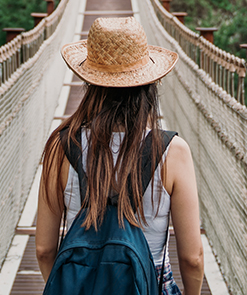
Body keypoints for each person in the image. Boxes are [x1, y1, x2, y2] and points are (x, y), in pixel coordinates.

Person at [35, 17, 204, 295]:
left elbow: (43, 249)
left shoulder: (60, 147)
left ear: (89, 83)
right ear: (149, 85)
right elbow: (192, 258)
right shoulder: (173, 152)